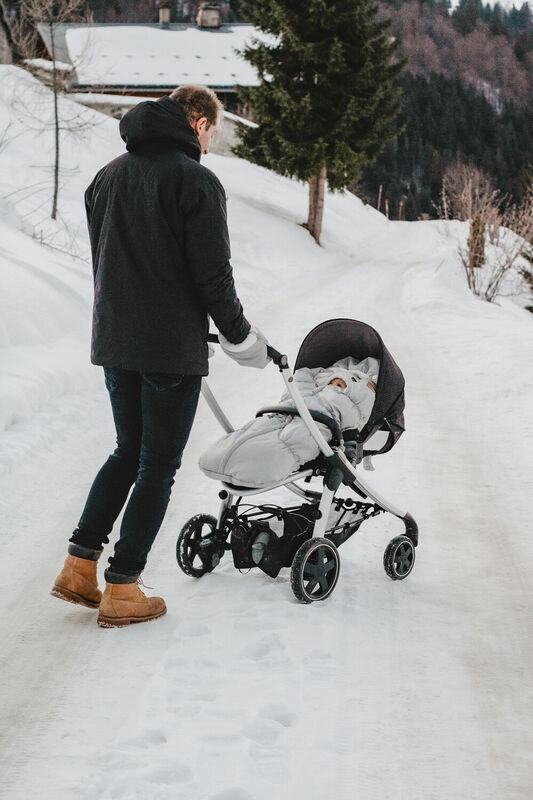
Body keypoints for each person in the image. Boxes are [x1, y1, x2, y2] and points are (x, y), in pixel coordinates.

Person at [51, 85, 269, 627]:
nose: (209, 146)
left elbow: (108, 264)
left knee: (127, 451)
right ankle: (124, 587)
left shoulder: (107, 176)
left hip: (115, 340)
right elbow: (213, 276)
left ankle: (79, 568)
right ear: (198, 123)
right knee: (156, 465)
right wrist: (242, 337)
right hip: (169, 349)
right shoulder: (196, 181)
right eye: (211, 134)